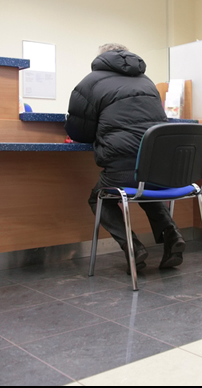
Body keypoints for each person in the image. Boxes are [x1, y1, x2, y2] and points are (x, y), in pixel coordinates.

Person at [65, 43, 185, 273]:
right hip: (158, 166)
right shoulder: (148, 82)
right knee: (144, 187)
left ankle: (132, 246)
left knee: (101, 197)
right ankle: (172, 234)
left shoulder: (90, 82)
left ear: (102, 59)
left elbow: (79, 132)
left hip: (122, 166)